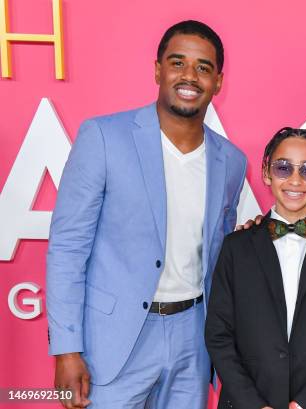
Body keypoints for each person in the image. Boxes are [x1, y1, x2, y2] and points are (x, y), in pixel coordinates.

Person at [46, 20, 246, 408]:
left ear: (218, 81)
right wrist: (67, 348)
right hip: (112, 341)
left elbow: (218, 254)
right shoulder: (103, 137)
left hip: (193, 339)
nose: (190, 76)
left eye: (203, 67)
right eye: (178, 63)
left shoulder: (232, 161)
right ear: (158, 69)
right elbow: (68, 248)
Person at [205, 127, 306, 409]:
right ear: (267, 172)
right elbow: (219, 336)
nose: (295, 180)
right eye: (283, 168)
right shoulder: (235, 248)